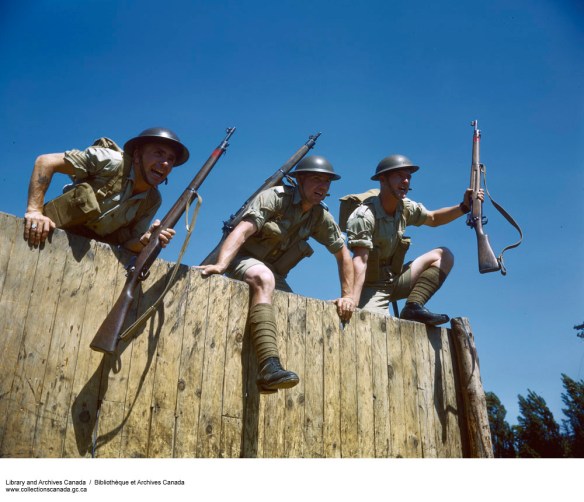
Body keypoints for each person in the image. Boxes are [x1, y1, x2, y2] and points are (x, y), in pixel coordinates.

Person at [196, 155, 355, 393]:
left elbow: (343, 253)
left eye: (327, 182)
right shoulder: (275, 198)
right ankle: (269, 366)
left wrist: (348, 296)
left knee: (293, 311)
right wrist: (220, 265)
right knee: (264, 277)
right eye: (316, 179)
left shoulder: (319, 216)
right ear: (299, 180)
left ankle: (271, 377)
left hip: (274, 273)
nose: (323, 186)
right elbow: (241, 231)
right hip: (242, 260)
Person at [346, 154, 484, 325]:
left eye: (408, 177)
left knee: (444, 255)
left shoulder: (405, 208)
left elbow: (433, 218)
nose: (405, 181)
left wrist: (463, 207)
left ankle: (413, 307)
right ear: (382, 179)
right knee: (376, 328)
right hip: (370, 287)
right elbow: (359, 261)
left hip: (394, 280)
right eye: (399, 176)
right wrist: (350, 299)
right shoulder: (364, 216)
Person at [23, 127, 189, 252]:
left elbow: (129, 243)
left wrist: (146, 240)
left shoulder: (152, 200)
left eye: (170, 159)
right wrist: (34, 212)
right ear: (137, 156)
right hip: (47, 238)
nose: (165, 163)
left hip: (89, 254)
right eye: (158, 153)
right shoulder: (111, 161)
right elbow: (45, 162)